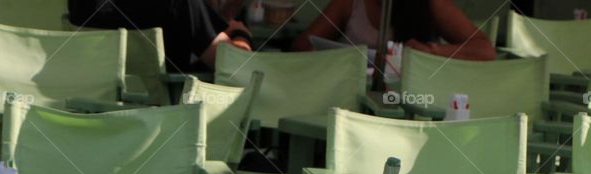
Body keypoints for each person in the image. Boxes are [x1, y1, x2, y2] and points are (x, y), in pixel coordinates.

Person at [68, 0, 253, 72]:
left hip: (93, 118)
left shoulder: (82, 5)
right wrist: (240, 34)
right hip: (166, 124)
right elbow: (236, 67)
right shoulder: (181, 5)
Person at [292, 0, 496, 61]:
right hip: (350, 98)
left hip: (409, 100)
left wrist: (431, 51)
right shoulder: (350, 3)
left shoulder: (432, 5)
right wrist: (342, 59)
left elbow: (485, 50)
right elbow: (303, 43)